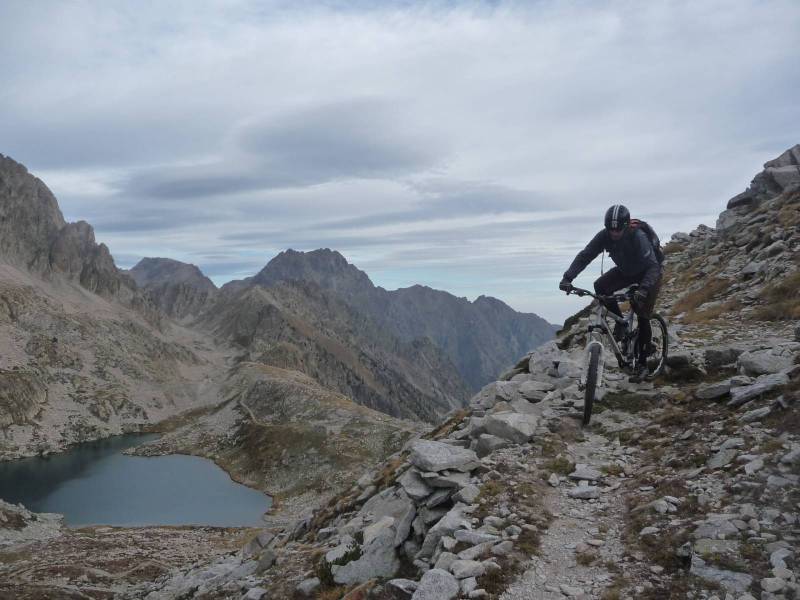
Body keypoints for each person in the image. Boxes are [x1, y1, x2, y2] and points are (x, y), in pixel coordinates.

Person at [559, 204, 663, 381]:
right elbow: (586, 255)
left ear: (625, 226)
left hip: (649, 273)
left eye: (618, 230)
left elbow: (653, 266)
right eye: (611, 229)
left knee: (642, 312)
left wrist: (644, 289)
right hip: (626, 271)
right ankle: (621, 323)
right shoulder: (604, 236)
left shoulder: (637, 236)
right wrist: (568, 278)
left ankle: (643, 364)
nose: (614, 233)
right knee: (600, 286)